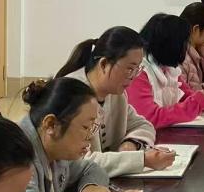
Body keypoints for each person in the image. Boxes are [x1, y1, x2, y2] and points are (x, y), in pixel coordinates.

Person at [7, 77, 144, 192]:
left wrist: (90, 187)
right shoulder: (15, 158)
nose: (90, 137)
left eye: (93, 128)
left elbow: (90, 168)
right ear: (51, 125)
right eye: (86, 127)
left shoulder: (53, 148)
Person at [56, 26, 173, 176]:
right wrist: (142, 160)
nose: (133, 77)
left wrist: (131, 143)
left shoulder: (116, 94)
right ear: (104, 64)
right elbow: (79, 162)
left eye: (137, 69)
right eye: (129, 69)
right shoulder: (71, 94)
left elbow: (143, 125)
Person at [127, 13, 204, 128]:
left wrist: (203, 99)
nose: (185, 48)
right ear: (170, 45)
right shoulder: (139, 73)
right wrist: (195, 104)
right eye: (183, 43)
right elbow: (149, 117)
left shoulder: (168, 68)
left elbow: (187, 95)